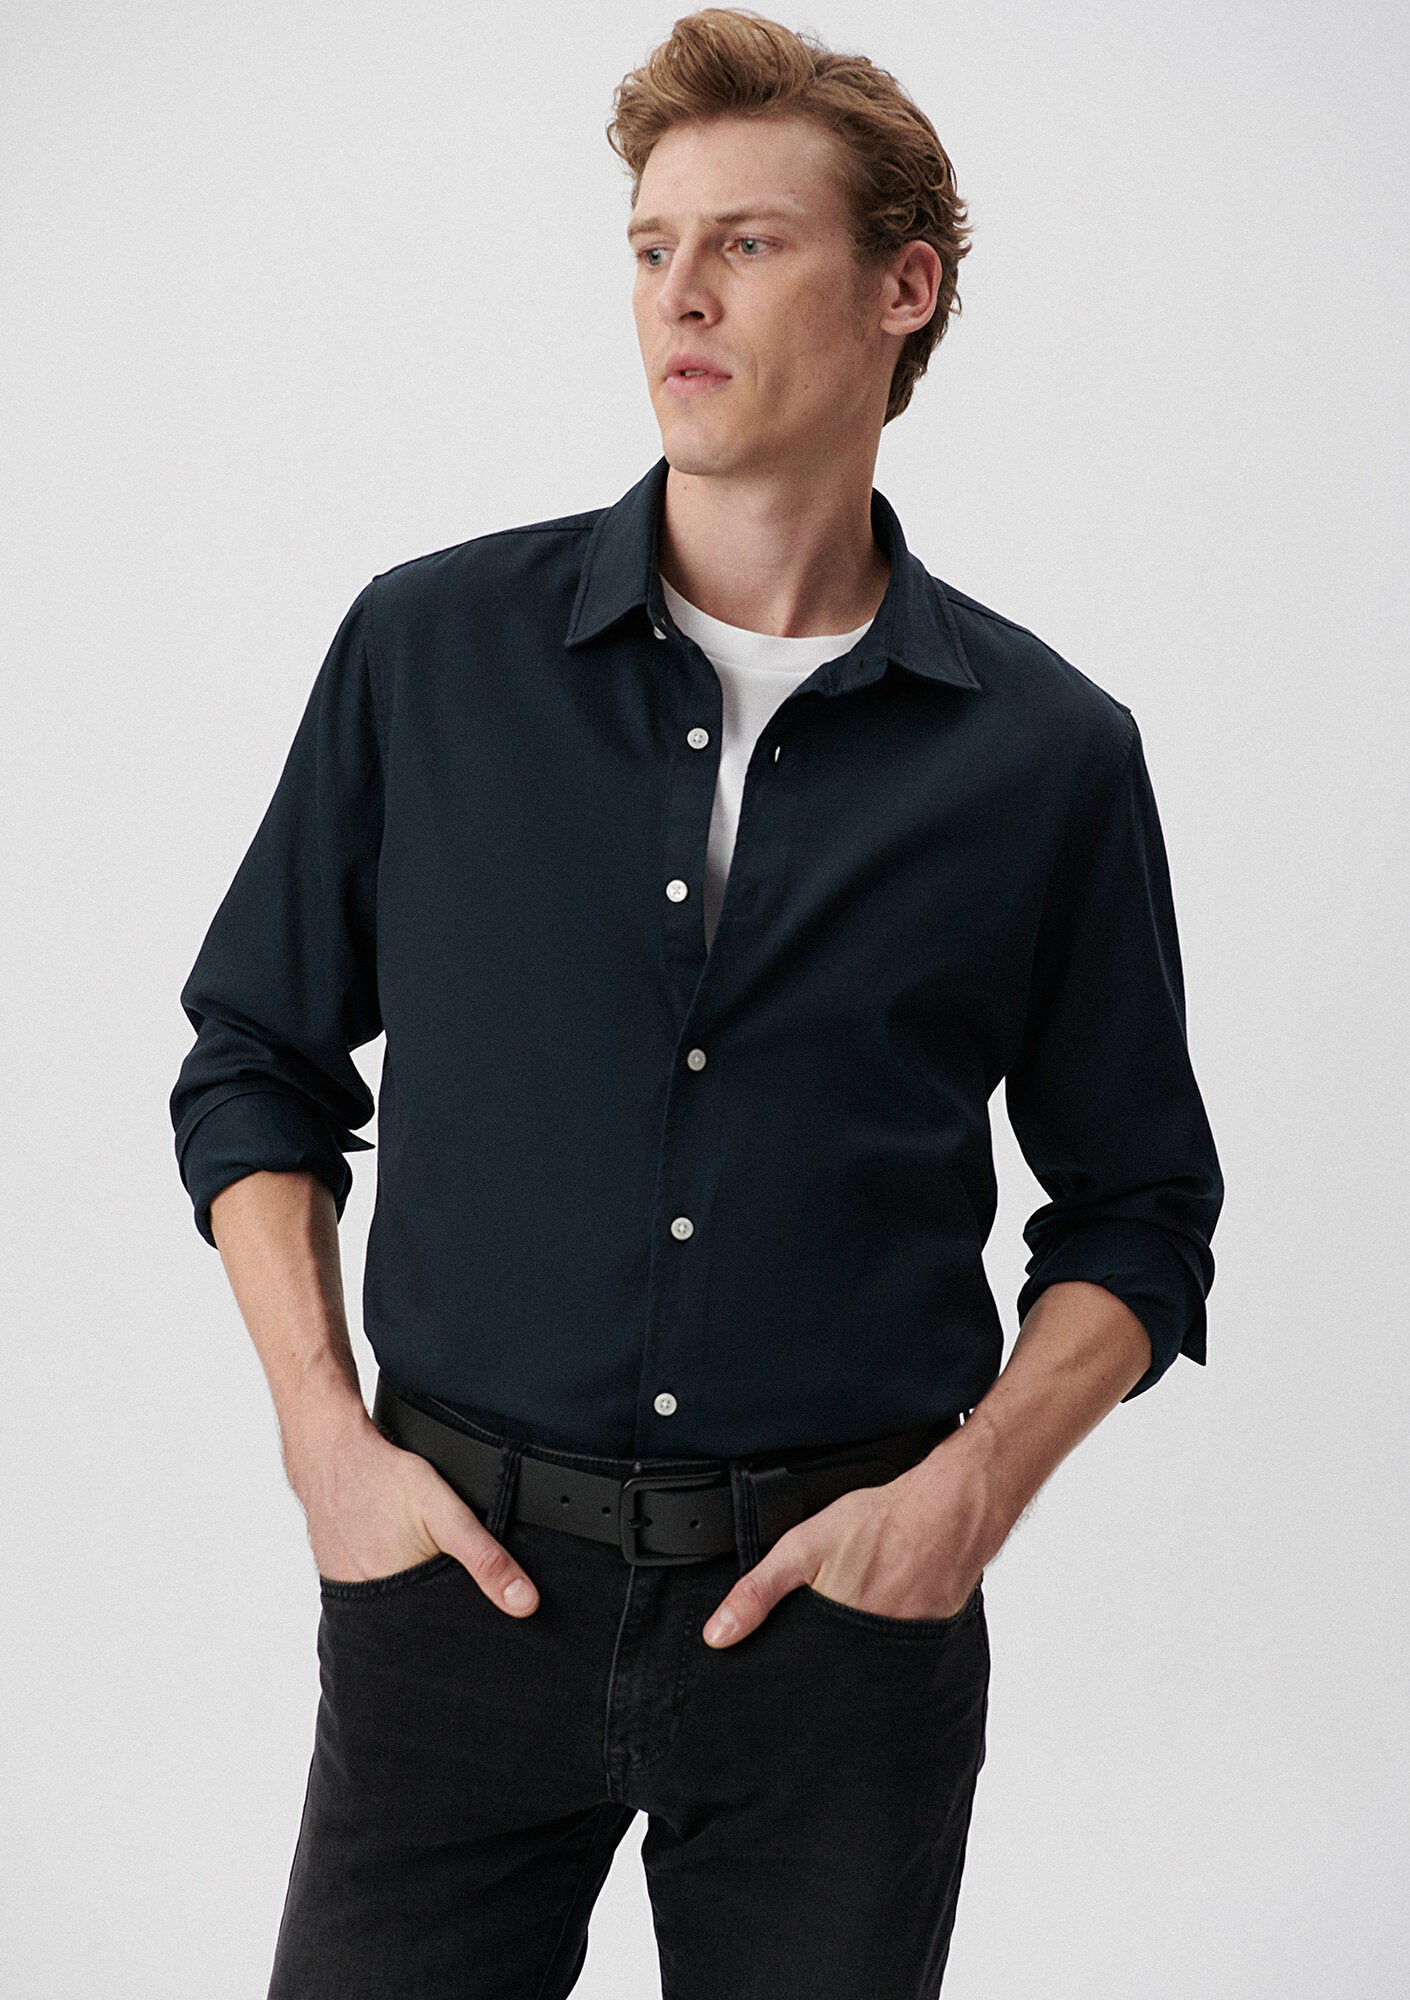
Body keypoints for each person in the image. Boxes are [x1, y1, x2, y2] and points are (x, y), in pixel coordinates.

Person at [168, 10, 1223, 1996]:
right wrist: (322, 1434)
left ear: (904, 289)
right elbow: (252, 1062)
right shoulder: (429, 652)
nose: (680, 292)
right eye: (653, 244)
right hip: (453, 1586)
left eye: (746, 242)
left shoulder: (1049, 754)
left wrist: (964, 1501)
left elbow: (1143, 1211)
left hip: (839, 1630)